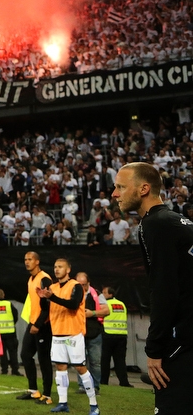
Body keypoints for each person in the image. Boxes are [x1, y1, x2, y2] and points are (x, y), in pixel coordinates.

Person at [112, 161, 192, 414]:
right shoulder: (179, 221)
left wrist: (155, 349)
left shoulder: (154, 224)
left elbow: (163, 289)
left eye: (121, 187)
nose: (114, 194)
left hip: (182, 342)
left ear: (144, 189)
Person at [35, 258, 98, 415]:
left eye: (60, 267)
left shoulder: (76, 286)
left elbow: (73, 305)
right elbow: (46, 307)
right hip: (57, 333)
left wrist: (51, 297)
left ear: (68, 270)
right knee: (60, 367)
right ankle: (63, 403)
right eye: (55, 267)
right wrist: (43, 298)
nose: (56, 269)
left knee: (80, 367)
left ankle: (93, 405)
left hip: (73, 333)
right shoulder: (53, 287)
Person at [17, 251, 54, 405]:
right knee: (25, 355)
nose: (27, 262)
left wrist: (38, 324)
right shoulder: (31, 279)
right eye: (25, 259)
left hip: (43, 325)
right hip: (33, 323)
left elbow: (48, 305)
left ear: (37, 261)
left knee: (44, 359)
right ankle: (33, 391)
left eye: (30, 259)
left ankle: (47, 395)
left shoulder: (44, 278)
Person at [75, 272, 108, 395]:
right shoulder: (73, 294)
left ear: (88, 283)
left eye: (84, 285)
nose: (82, 288)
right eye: (79, 285)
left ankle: (95, 387)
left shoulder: (97, 294)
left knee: (95, 362)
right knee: (80, 361)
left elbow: (106, 310)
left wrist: (92, 313)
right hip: (78, 333)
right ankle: (82, 386)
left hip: (94, 334)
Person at [99, 286, 131, 388]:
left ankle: (104, 381)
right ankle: (124, 382)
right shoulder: (121, 304)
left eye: (104, 293)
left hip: (108, 334)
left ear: (110, 294)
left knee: (105, 360)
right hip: (121, 335)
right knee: (120, 361)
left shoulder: (105, 304)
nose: (102, 295)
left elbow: (101, 316)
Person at [0, 288, 21, 375]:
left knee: (2, 353)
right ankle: (15, 370)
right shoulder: (8, 304)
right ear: (4, 295)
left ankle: (4, 370)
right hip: (10, 332)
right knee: (13, 352)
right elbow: (15, 316)